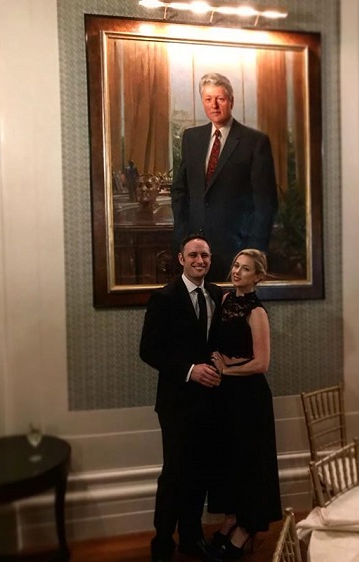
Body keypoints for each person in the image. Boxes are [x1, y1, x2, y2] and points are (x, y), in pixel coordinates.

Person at [139, 234, 223, 562]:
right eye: (193, 255)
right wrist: (190, 370)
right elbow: (148, 351)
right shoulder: (165, 298)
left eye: (205, 255)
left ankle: (191, 536)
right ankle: (162, 541)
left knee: (200, 470)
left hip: (211, 400)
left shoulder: (217, 293)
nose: (200, 260)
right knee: (174, 471)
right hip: (176, 401)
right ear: (181, 259)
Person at [207, 249, 282, 560]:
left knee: (251, 462)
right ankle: (232, 518)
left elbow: (262, 363)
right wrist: (215, 358)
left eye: (245, 269)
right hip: (226, 397)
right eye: (236, 265)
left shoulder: (257, 312)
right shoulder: (225, 300)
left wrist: (228, 370)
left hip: (250, 398)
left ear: (258, 277)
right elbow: (217, 344)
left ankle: (247, 528)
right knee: (229, 459)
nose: (236, 271)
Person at [171, 73, 278, 282]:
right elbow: (180, 191)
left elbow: (265, 203)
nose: (214, 105)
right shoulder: (191, 138)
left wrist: (252, 253)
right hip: (194, 251)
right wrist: (183, 237)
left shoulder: (254, 141)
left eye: (220, 99)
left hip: (236, 252)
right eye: (208, 99)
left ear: (231, 100)